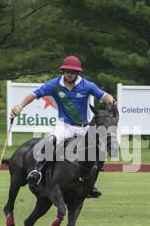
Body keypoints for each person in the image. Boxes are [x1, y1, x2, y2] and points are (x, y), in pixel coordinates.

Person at [11, 55, 116, 194]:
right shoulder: (55, 84)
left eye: (72, 72)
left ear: (77, 73)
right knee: (50, 141)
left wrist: (113, 102)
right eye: (67, 71)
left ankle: (90, 185)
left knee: (98, 152)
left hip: (83, 127)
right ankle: (37, 172)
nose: (69, 74)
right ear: (63, 71)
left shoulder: (86, 85)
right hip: (64, 125)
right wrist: (20, 106)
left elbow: (104, 95)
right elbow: (35, 94)